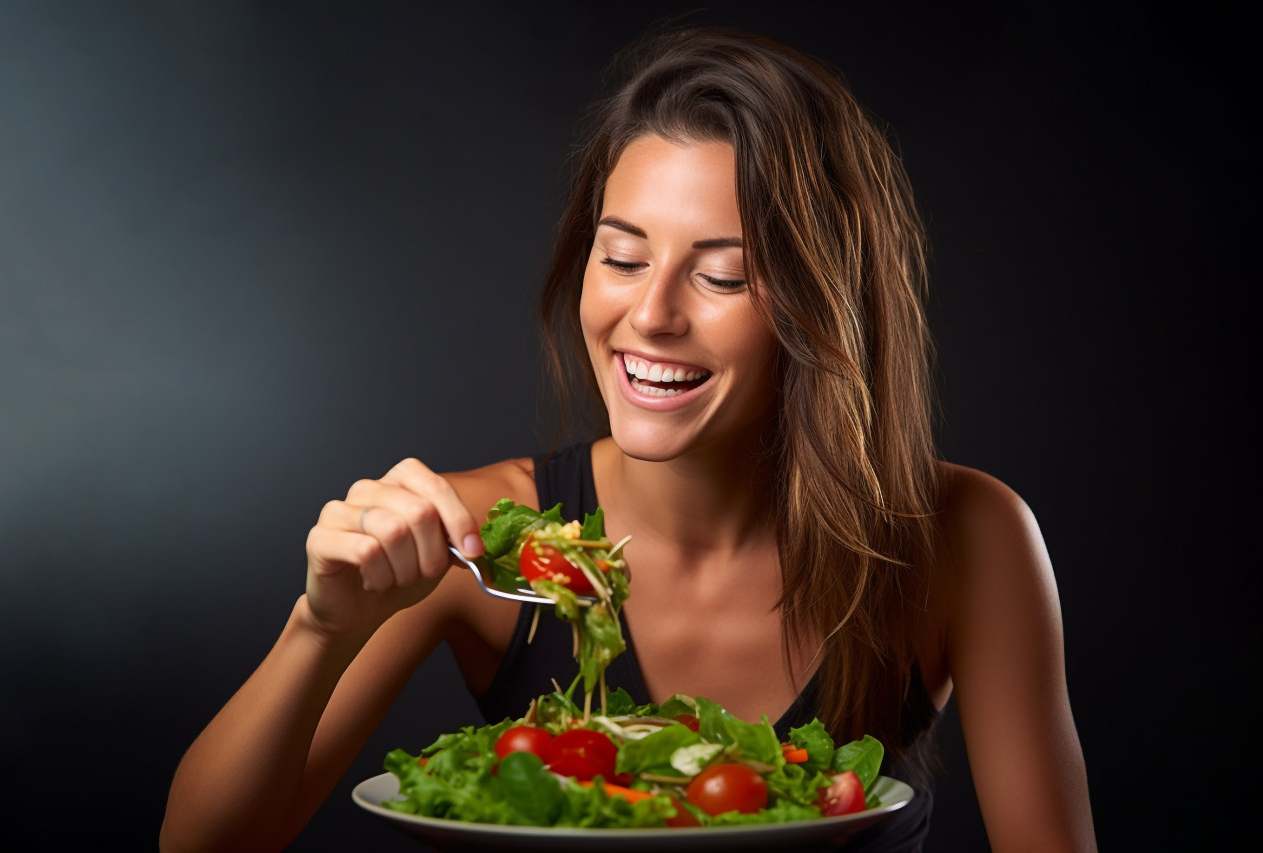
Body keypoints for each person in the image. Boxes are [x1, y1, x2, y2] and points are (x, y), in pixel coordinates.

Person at [160, 27, 1096, 852]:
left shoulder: (965, 537)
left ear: (822, 307)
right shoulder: (479, 535)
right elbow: (201, 843)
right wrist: (319, 628)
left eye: (721, 278)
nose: (650, 315)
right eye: (622, 257)